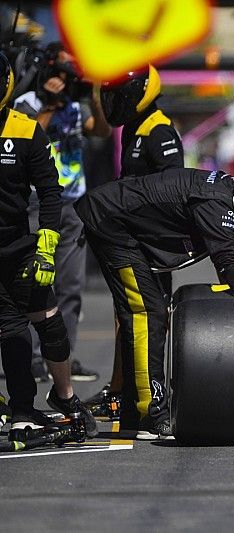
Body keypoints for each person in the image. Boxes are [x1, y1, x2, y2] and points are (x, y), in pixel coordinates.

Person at [74, 162, 234, 439]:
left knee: (145, 314)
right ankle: (151, 413)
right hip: (110, 220)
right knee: (148, 314)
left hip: (118, 220)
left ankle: (133, 416)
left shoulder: (228, 198)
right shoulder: (216, 203)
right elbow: (230, 266)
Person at [0, 52, 96, 437]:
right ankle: (22, 405)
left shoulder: (25, 129)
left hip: (22, 245)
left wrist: (46, 245)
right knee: (11, 330)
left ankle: (65, 395)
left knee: (51, 326)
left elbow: (51, 192)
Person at [86, 65, 184, 415]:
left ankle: (153, 388)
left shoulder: (159, 130)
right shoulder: (133, 128)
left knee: (152, 317)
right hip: (130, 238)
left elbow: (173, 189)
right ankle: (120, 387)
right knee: (124, 314)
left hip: (153, 242)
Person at [14, 41, 111, 383]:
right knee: (35, 284)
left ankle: (63, 356)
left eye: (66, 77)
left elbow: (101, 130)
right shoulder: (25, 106)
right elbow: (30, 138)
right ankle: (33, 356)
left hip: (72, 203)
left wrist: (95, 97)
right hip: (37, 204)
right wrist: (50, 104)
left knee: (71, 284)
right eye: (57, 75)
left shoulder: (73, 106)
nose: (62, 82)